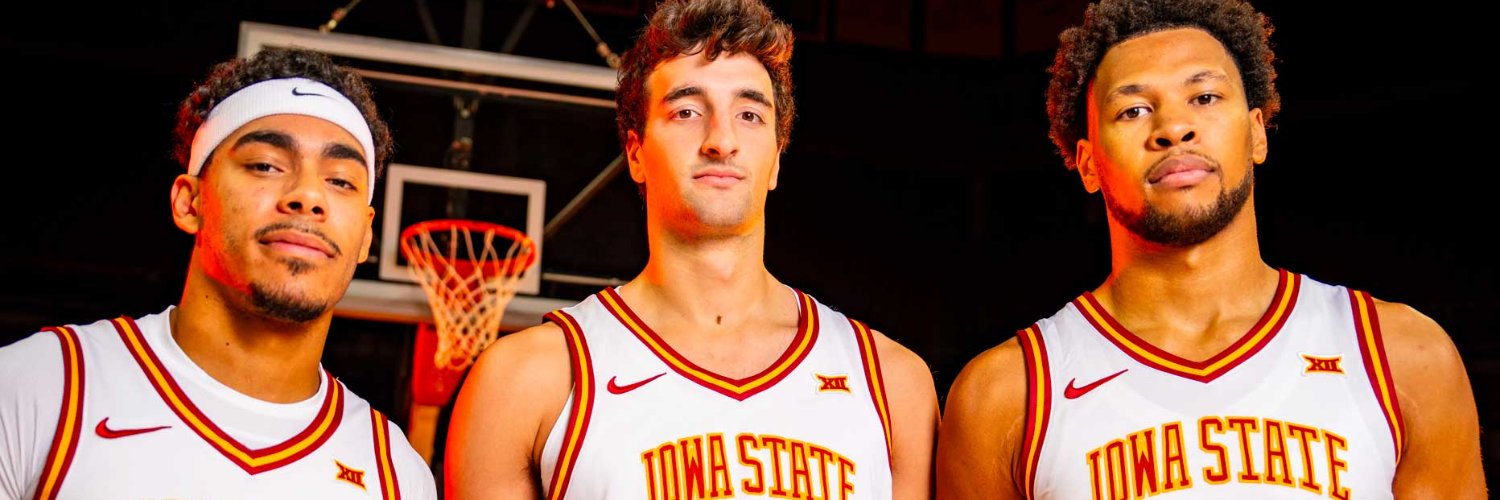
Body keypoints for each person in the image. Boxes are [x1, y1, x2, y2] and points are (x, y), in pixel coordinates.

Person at [936, 0, 1486, 498]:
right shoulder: (1006, 395)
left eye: (1203, 97)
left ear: (1257, 132)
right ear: (1087, 164)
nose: (1174, 128)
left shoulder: (1402, 356)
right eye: (1133, 110)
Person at [446, 0, 938, 498]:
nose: (721, 140)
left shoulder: (892, 384)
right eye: (687, 111)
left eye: (749, 114)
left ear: (776, 160)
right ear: (636, 153)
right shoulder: (527, 381)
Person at [0, 47, 436, 499]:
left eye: (341, 181)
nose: (308, 196)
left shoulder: (396, 474)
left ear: (366, 235)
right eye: (266, 165)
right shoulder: (42, 388)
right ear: (190, 202)